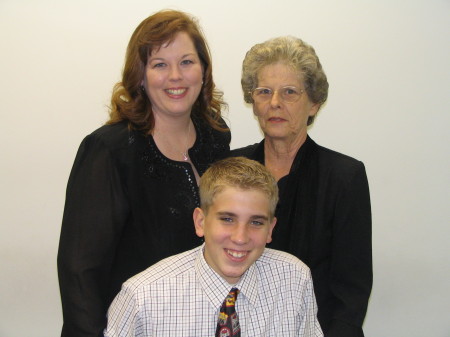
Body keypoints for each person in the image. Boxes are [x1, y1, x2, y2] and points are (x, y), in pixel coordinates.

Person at [57, 10, 230, 337]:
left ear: (204, 71)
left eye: (187, 62)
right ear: (140, 76)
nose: (175, 76)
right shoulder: (110, 150)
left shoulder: (217, 140)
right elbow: (80, 271)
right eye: (160, 64)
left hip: (205, 323)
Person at [231, 36, 372, 337]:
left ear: (314, 103)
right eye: (264, 91)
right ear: (252, 101)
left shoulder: (344, 177)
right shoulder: (229, 170)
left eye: (290, 92)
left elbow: (351, 293)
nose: (275, 103)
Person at [104, 157, 323, 337]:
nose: (240, 237)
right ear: (200, 222)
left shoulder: (295, 279)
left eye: (256, 222)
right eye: (227, 219)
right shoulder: (142, 297)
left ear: (270, 229)